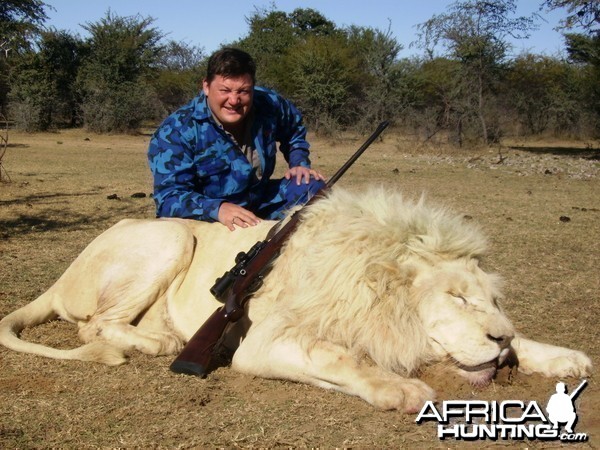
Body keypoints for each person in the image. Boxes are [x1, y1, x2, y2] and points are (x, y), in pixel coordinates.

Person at [148, 47, 325, 231]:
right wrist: (218, 209)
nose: (234, 100)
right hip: (211, 219)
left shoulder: (269, 103)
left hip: (260, 202)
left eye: (243, 91)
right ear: (206, 86)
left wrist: (299, 163)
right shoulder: (176, 130)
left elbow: (294, 129)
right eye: (225, 90)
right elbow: (168, 198)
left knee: (314, 190)